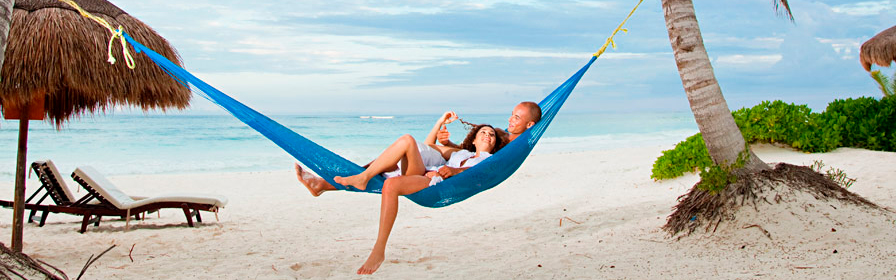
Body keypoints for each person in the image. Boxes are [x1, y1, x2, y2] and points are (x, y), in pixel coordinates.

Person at [437, 101, 542, 147]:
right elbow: (469, 151)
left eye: (516, 117)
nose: (510, 119)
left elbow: (485, 164)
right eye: (512, 115)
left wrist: (455, 171)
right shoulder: (504, 137)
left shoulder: (517, 146)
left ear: (529, 125)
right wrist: (447, 143)